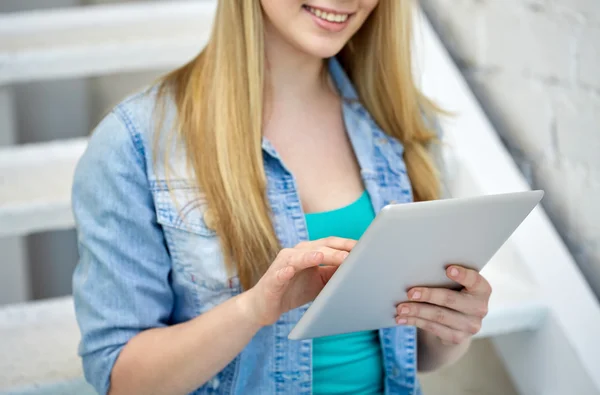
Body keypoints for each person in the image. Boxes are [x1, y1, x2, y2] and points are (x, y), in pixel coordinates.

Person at [71, 1, 493, 394]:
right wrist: (253, 310)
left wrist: (450, 327)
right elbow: (122, 380)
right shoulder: (135, 142)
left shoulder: (403, 120)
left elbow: (417, 354)